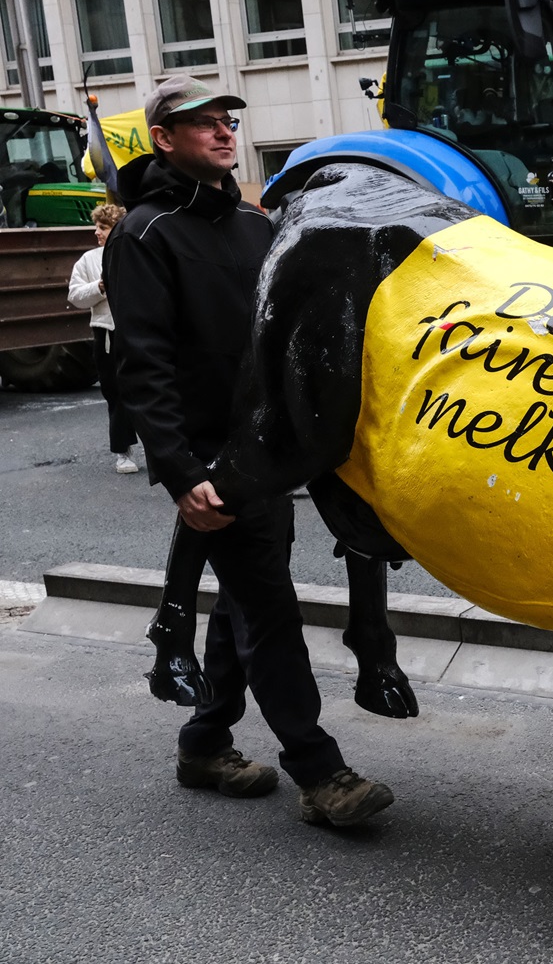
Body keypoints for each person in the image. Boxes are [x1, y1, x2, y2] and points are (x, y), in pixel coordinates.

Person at [103, 75, 394, 826]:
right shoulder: (143, 234)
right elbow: (144, 364)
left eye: (227, 119)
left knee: (245, 599)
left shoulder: (253, 224)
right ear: (164, 138)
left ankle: (203, 742)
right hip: (212, 464)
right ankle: (320, 771)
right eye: (201, 123)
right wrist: (179, 472)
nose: (223, 131)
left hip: (268, 454)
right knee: (268, 608)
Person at [66, 203, 138, 474]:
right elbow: (74, 296)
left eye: (103, 227)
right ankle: (123, 452)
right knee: (115, 393)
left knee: (146, 389)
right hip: (105, 333)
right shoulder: (88, 260)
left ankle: (163, 451)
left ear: (116, 229)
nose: (96, 232)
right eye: (96, 226)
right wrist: (98, 286)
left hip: (136, 332)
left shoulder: (134, 253)